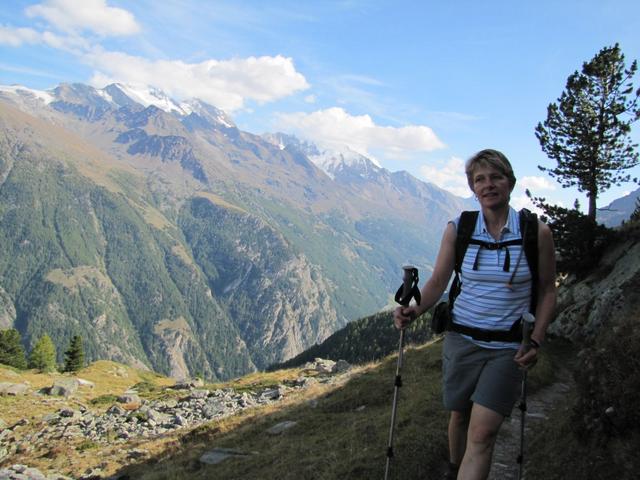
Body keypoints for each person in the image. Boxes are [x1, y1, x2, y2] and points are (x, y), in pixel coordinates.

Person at [393, 149, 557, 480]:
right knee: (459, 416)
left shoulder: (535, 233)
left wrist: (536, 340)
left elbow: (548, 291)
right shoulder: (460, 228)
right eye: (479, 179)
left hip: (507, 349)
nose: (488, 184)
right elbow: (439, 281)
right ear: (472, 187)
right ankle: (455, 470)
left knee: (481, 435)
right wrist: (415, 309)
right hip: (461, 340)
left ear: (510, 182)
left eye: (496, 177)